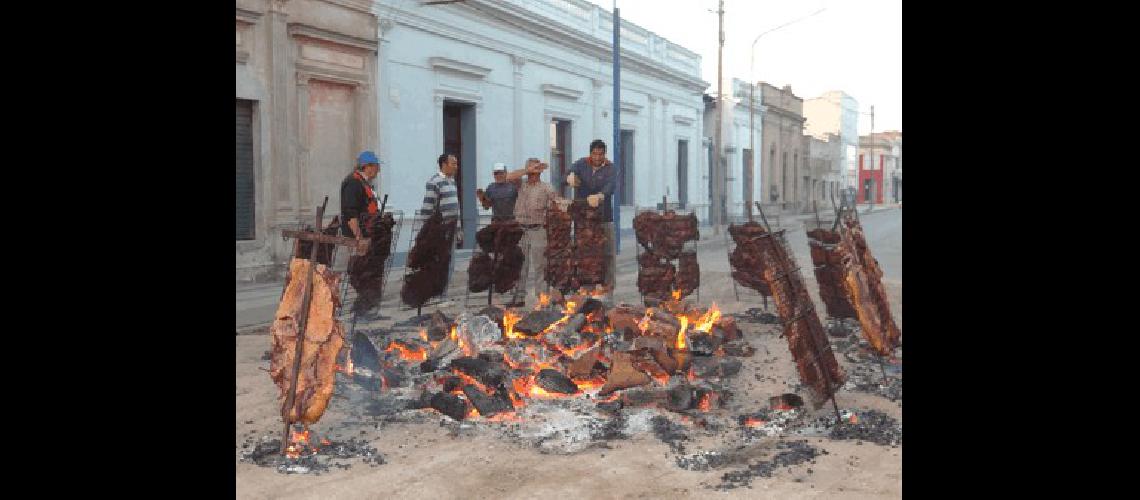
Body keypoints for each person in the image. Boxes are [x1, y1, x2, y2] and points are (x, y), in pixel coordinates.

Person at [566, 139, 618, 302]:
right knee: (582, 253)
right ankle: (584, 289)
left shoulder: (610, 168)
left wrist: (601, 195)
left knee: (608, 253)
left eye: (600, 154)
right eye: (595, 154)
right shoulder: (581, 164)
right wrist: (570, 177)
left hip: (604, 217)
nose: (597, 157)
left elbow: (611, 185)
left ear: (604, 154)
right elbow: (568, 173)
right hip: (583, 219)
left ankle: (608, 290)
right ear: (590, 154)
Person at [510, 158, 559, 306]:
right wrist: (527, 170)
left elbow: (556, 204)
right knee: (520, 265)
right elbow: (508, 177)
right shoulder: (521, 185)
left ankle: (542, 298)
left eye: (535, 169)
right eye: (530, 169)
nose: (533, 173)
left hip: (538, 229)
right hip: (521, 229)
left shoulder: (546, 187)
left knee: (540, 266)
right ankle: (518, 298)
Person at [419, 153, 463, 248]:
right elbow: (427, 209)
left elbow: (455, 209)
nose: (456, 167)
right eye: (453, 164)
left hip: (451, 230)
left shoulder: (452, 182)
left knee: (449, 260)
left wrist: (458, 230)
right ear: (444, 165)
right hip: (439, 231)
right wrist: (429, 231)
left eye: (456, 164)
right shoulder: (434, 182)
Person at [340, 150, 380, 255]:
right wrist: (359, 238)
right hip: (355, 239)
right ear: (368, 166)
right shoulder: (353, 183)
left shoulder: (364, 183)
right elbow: (350, 213)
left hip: (366, 236)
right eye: (377, 166)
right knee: (356, 268)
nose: (379, 170)